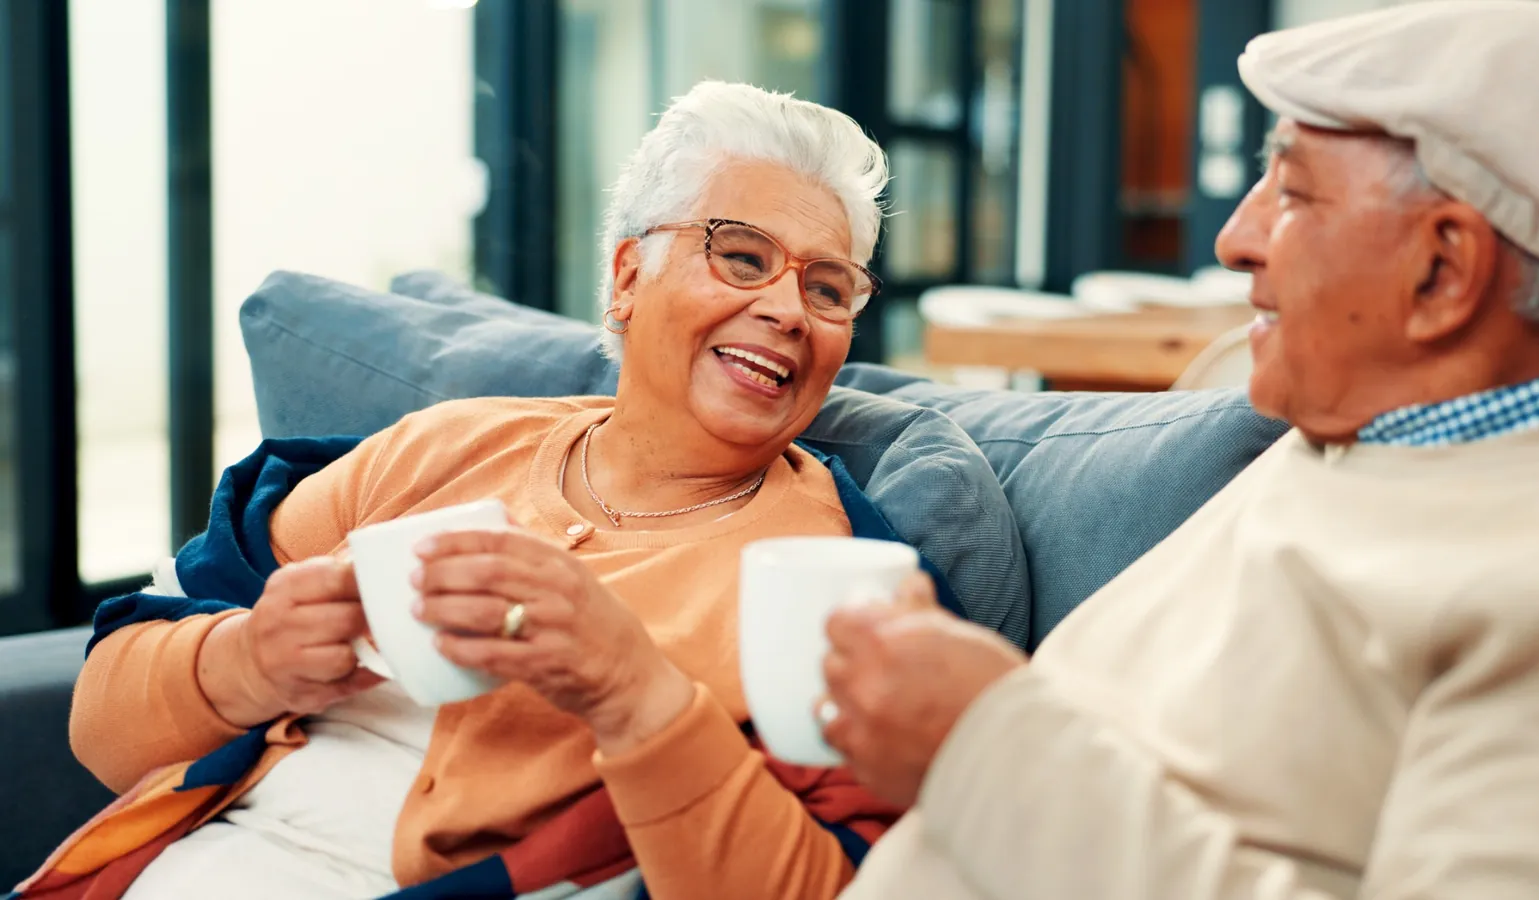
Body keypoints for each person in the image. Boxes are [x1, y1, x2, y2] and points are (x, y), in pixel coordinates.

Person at [33, 82, 925, 900]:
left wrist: (634, 693)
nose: (788, 310)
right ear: (626, 278)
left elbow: (843, 885)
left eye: (827, 287)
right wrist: (250, 659)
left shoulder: (836, 575)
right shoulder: (439, 444)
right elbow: (102, 726)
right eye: (741, 257)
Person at [820, 3, 1539, 897]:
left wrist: (979, 743)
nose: (1235, 241)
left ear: (1443, 273)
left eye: (1294, 194)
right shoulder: (1361, 424)